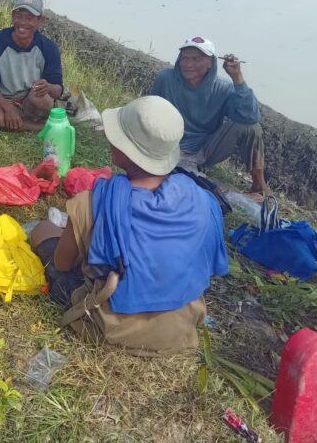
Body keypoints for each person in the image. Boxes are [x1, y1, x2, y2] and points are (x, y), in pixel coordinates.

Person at [31, 96, 228, 355]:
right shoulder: (204, 200)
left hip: (113, 327)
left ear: (125, 149)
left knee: (43, 230)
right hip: (180, 327)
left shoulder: (91, 203)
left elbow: (63, 264)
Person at [149, 36, 269, 196]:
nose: (188, 64)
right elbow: (149, 108)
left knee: (251, 128)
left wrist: (237, 78)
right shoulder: (165, 78)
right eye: (184, 58)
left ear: (210, 63)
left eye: (196, 59)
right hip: (169, 145)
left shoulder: (223, 88)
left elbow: (250, 117)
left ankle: (259, 185)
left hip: (204, 149)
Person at [0, 0, 64, 132]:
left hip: (31, 99)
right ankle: (38, 127)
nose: (22, 23)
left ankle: (22, 121)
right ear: (13, 17)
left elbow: (58, 90)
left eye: (29, 18)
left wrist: (48, 87)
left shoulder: (49, 48)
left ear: (40, 21)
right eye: (18, 16)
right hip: (5, 100)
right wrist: (8, 108)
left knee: (43, 99)